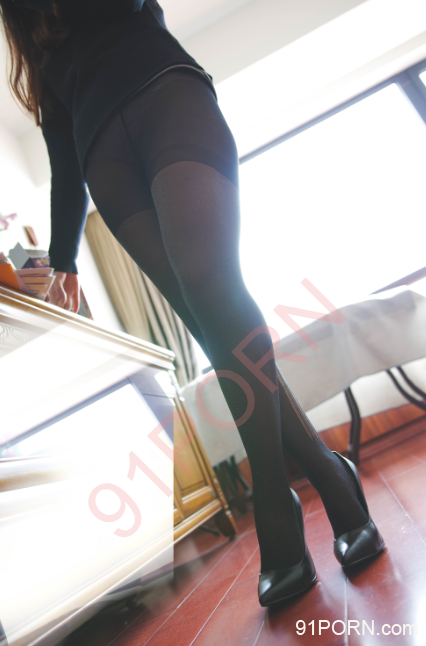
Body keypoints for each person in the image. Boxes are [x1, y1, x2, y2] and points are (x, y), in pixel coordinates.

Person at [1, 0, 384, 606]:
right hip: (103, 160)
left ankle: (272, 500)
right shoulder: (30, 22)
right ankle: (330, 475)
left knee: (212, 284)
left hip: (167, 98)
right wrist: (64, 258)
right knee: (215, 332)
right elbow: (61, 154)